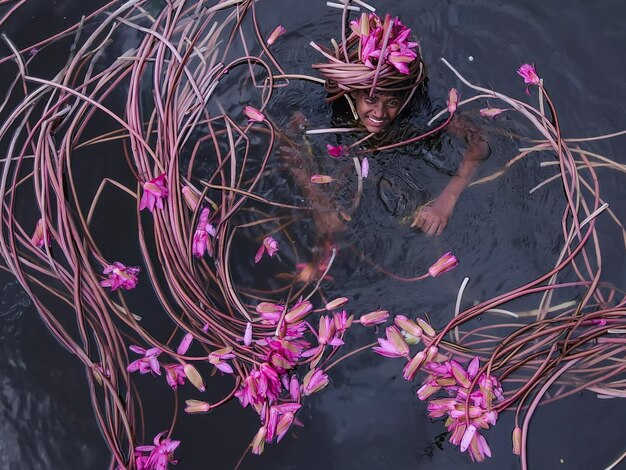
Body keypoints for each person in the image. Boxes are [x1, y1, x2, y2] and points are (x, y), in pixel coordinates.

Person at [283, 11, 489, 238]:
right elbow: (289, 139)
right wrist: (319, 204)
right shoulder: (332, 105)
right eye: (371, 99)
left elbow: (478, 145)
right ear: (354, 94)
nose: (380, 113)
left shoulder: (423, 108)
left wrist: (446, 200)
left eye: (391, 102)